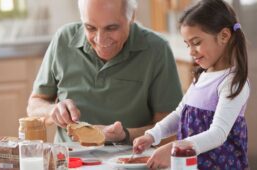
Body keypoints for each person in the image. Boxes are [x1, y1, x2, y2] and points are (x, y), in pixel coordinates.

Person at [26, 0, 182, 144]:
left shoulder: (157, 49)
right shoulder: (63, 40)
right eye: (90, 28)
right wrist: (52, 110)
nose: (100, 40)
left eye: (112, 28)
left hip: (129, 161)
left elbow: (173, 131)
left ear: (131, 17)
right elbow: (34, 105)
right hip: (68, 162)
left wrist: (125, 135)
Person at [133, 0, 250, 169]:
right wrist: (152, 135)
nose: (191, 51)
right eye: (188, 45)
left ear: (224, 36)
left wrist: (177, 147)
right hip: (190, 164)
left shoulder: (232, 82)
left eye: (196, 42)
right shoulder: (201, 76)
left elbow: (218, 134)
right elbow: (180, 114)